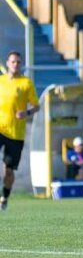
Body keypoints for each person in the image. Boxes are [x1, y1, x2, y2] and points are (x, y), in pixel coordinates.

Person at [0, 51, 39, 210]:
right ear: (7, 63)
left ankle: (4, 197)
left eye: (18, 62)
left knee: (8, 171)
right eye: (13, 61)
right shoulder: (1, 81)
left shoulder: (26, 83)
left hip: (16, 134)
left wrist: (27, 112)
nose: (15, 64)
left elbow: (37, 106)